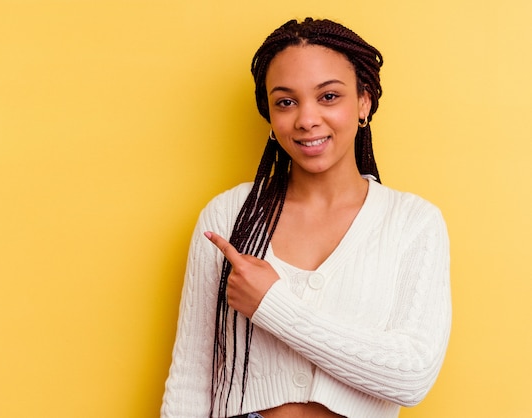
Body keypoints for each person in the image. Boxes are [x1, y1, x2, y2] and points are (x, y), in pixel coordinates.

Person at [161, 17, 451, 418]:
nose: (307, 119)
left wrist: (273, 306)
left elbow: (411, 376)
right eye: (286, 101)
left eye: (329, 96)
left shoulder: (413, 223)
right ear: (269, 114)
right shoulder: (230, 214)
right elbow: (192, 377)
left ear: (363, 101)